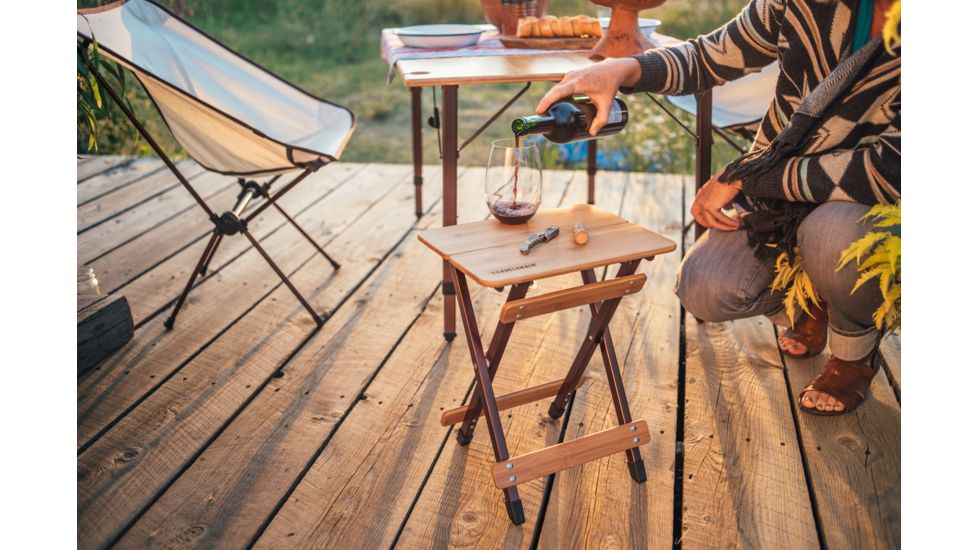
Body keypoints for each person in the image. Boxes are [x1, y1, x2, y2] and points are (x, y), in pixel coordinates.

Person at [536, 0, 900, 415]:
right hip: (780, 194)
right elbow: (711, 56)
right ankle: (814, 298)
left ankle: (853, 353)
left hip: (876, 203)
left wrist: (748, 176)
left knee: (831, 234)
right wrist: (624, 69)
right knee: (704, 287)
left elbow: (892, 169)